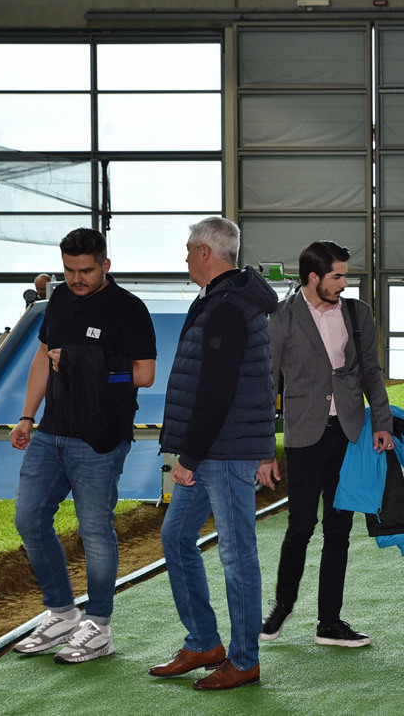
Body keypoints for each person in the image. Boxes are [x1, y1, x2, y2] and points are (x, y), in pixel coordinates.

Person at [10, 229, 156, 663]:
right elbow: (43, 357)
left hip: (101, 437)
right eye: (69, 270)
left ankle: (99, 625)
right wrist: (26, 416)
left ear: (105, 265)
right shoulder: (59, 299)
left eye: (86, 270)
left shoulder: (128, 308)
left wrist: (87, 365)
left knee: (94, 530)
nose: (76, 278)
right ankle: (61, 612)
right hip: (50, 431)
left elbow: (143, 374)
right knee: (29, 519)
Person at [152, 217, 278, 691]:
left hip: (221, 452)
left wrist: (188, 457)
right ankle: (204, 642)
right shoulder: (220, 301)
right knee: (176, 537)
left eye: (189, 250)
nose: (185, 257)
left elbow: (217, 389)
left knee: (236, 555)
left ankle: (244, 660)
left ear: (206, 252)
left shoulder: (228, 307)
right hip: (213, 448)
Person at [259, 240, 394, 648]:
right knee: (300, 526)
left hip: (349, 433)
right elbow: (266, 384)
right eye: (337, 276)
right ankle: (282, 606)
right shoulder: (281, 317)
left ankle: (329, 622)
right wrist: (264, 450)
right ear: (313, 277)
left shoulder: (358, 313)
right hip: (304, 434)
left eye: (345, 276)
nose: (344, 283)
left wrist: (381, 423)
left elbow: (371, 371)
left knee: (339, 530)